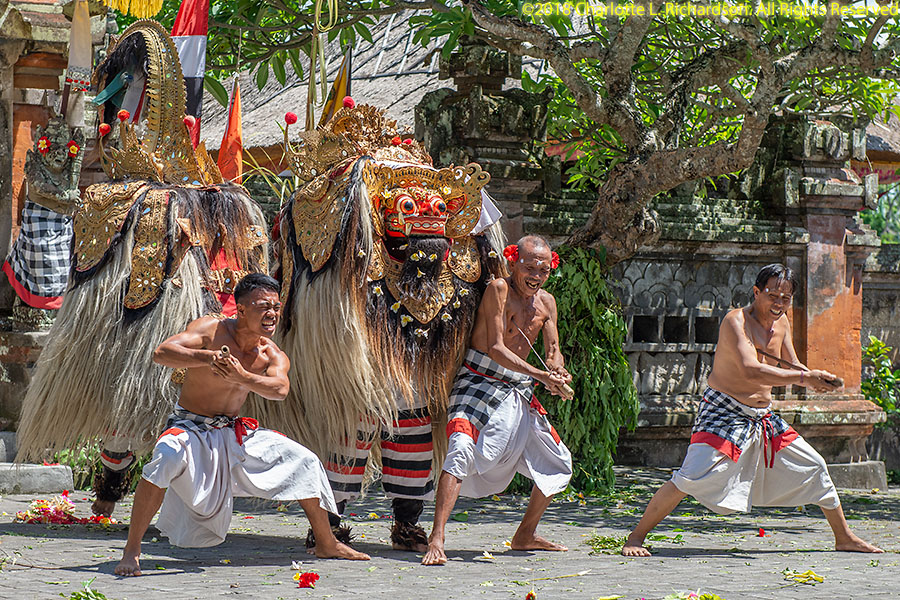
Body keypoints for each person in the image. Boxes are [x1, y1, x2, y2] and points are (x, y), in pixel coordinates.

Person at [115, 274, 369, 576]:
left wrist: (243, 377)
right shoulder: (211, 330)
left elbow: (280, 389)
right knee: (166, 456)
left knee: (306, 461)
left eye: (276, 307)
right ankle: (132, 551)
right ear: (242, 310)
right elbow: (162, 353)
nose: (272, 314)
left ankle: (326, 542)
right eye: (263, 307)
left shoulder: (270, 353)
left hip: (233, 432)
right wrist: (207, 358)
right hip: (190, 427)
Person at [622, 263, 883, 557]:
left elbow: (792, 364)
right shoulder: (736, 321)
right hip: (723, 411)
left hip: (762, 417)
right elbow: (751, 369)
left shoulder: (782, 323)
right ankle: (636, 537)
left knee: (815, 465)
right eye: (773, 296)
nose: (779, 304)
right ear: (757, 292)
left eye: (786, 298)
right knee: (688, 478)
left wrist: (815, 378)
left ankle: (844, 537)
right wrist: (803, 378)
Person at [422, 235, 573, 566]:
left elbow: (553, 351)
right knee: (460, 448)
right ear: (513, 262)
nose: (536, 276)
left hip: (518, 389)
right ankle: (437, 538)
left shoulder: (547, 302)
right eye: (530, 268)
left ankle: (525, 535)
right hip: (479, 381)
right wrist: (541, 375)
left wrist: (558, 371)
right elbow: (496, 348)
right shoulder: (499, 289)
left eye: (544, 271)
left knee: (558, 460)